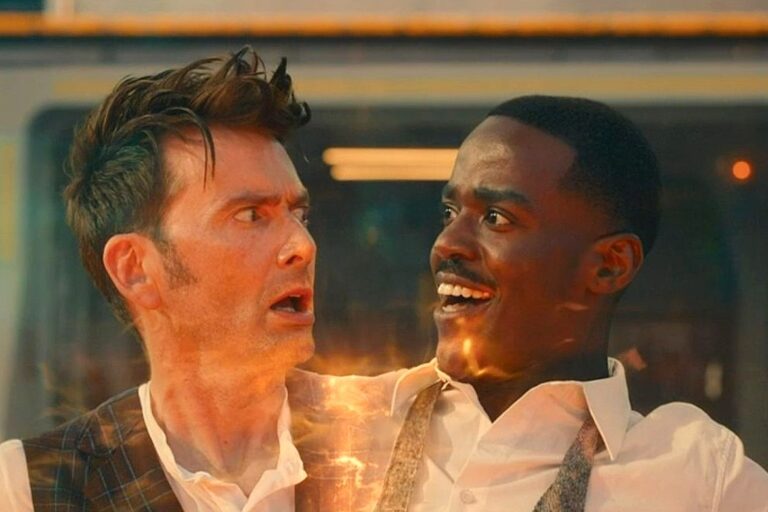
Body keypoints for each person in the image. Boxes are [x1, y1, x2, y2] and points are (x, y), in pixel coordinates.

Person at [291, 95, 768, 511]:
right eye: (450, 212)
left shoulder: (698, 476)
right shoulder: (332, 428)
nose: (445, 244)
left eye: (496, 218)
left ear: (610, 266)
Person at [0, 47, 316, 511]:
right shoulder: (26, 488)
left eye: (299, 214)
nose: (303, 245)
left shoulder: (386, 435)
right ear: (135, 269)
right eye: (251, 215)